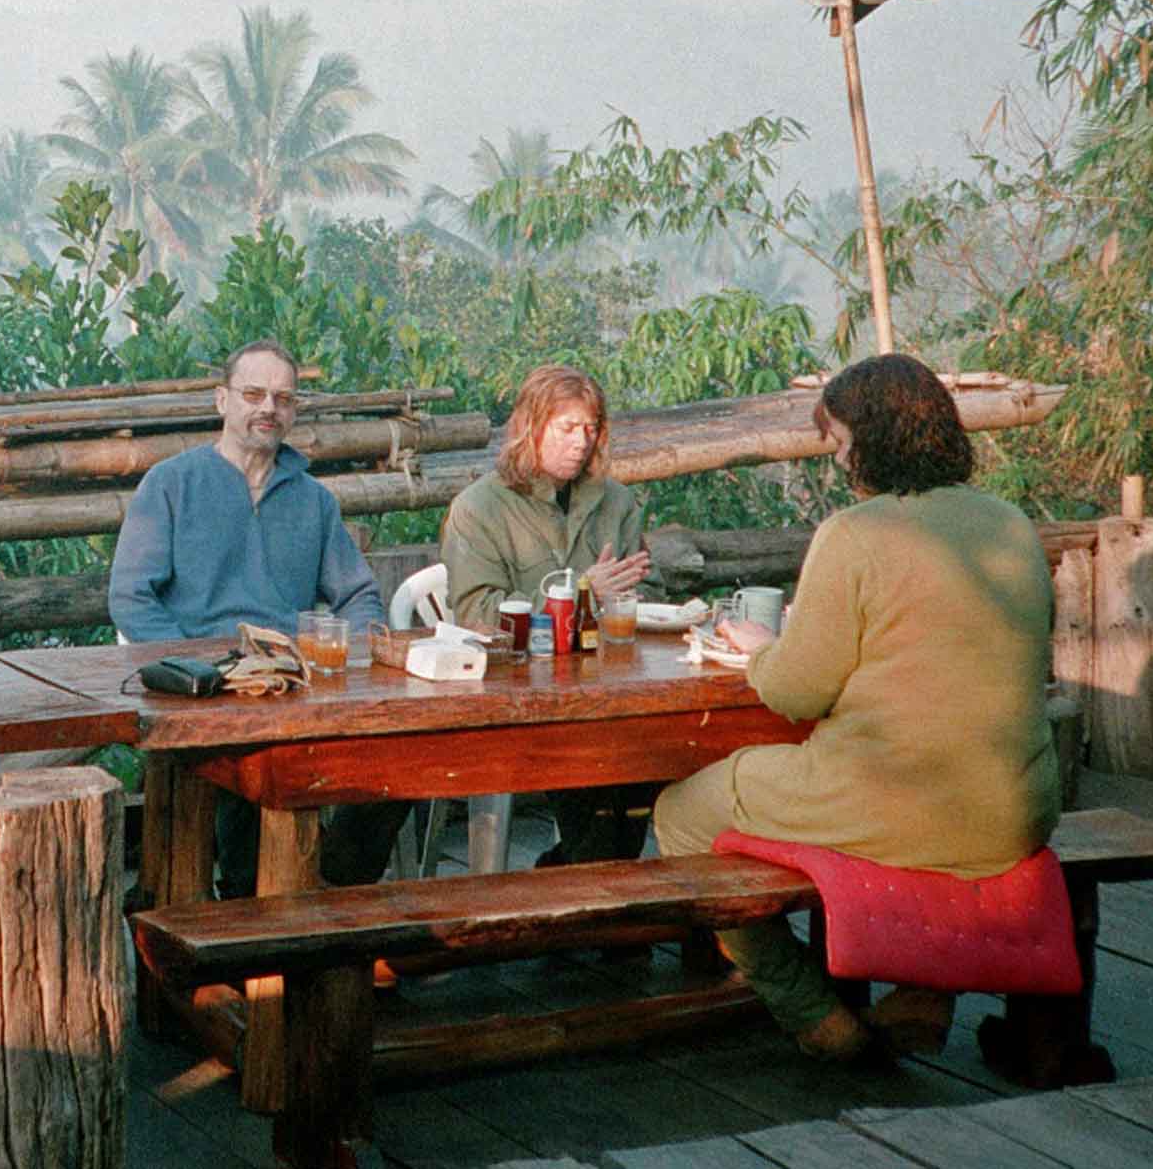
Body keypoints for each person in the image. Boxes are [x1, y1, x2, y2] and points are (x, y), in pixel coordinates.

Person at [652, 352, 1059, 1061]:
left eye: (841, 442)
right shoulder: (1010, 523)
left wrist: (761, 650)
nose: (839, 461)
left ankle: (812, 1013)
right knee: (909, 818)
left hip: (899, 801)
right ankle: (923, 992)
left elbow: (797, 692)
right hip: (1015, 808)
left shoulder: (856, 534)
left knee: (679, 814)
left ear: (873, 439)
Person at [108, 337, 403, 895]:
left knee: (399, 765)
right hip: (205, 691)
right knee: (257, 767)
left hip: (293, 685)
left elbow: (359, 595)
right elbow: (131, 597)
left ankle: (333, 893)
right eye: (253, 394)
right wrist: (197, 669)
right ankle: (253, 908)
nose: (269, 408)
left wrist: (354, 660)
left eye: (283, 398)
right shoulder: (171, 485)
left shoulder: (314, 501)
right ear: (222, 400)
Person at [441, 363, 657, 864]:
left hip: (608, 690)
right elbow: (476, 611)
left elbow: (644, 589)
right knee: (601, 774)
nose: (581, 442)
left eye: (590, 429)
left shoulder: (616, 502)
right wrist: (580, 594)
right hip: (520, 699)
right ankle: (587, 886)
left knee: (651, 762)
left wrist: (626, 599)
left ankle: (580, 878)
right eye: (567, 428)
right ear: (531, 427)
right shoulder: (479, 508)